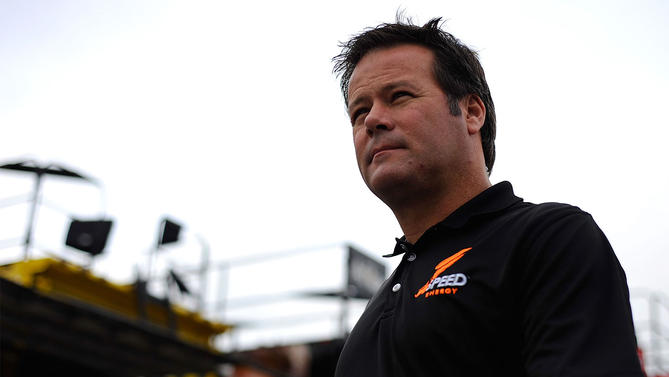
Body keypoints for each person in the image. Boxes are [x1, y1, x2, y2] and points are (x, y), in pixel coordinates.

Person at [332, 17, 644, 377]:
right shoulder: (372, 316)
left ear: (472, 112)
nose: (373, 120)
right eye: (360, 111)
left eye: (399, 96)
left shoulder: (550, 238)